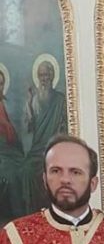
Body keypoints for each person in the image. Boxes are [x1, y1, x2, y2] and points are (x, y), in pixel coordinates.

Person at [24, 59, 68, 212]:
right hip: (37, 149)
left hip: (55, 148)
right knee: (27, 170)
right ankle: (33, 211)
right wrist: (29, 105)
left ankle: (56, 209)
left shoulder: (60, 100)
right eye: (41, 75)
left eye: (47, 75)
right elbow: (29, 128)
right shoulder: (34, 100)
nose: (44, 79)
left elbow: (65, 126)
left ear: (52, 76)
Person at [0, 66, 24, 221]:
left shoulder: (8, 105)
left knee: (24, 171)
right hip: (2, 154)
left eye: (1, 83)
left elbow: (16, 134)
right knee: (11, 174)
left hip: (11, 152)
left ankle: (20, 219)